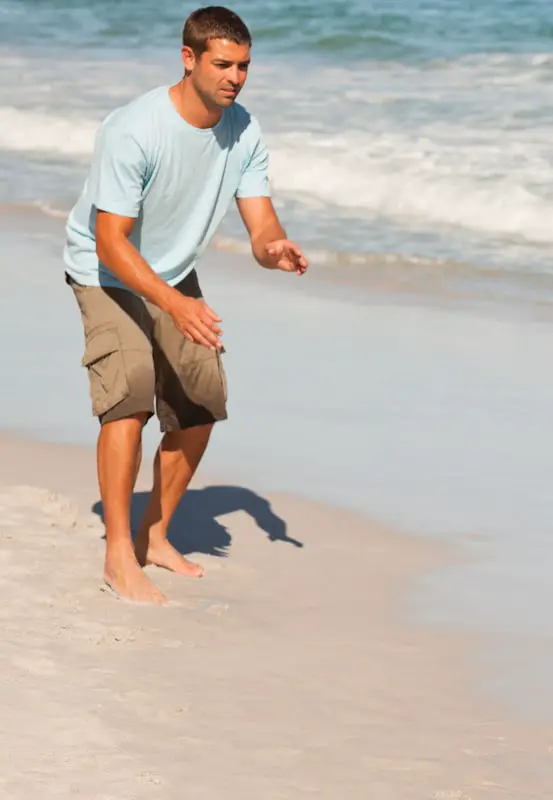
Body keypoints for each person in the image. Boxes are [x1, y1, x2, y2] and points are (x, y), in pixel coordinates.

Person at [61, 6, 307, 605]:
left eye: (245, 66)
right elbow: (112, 242)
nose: (236, 77)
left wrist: (273, 248)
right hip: (103, 270)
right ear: (189, 58)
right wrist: (173, 304)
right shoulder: (133, 130)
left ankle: (154, 536)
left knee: (201, 402)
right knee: (129, 393)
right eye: (224, 64)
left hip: (172, 272)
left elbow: (260, 222)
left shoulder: (243, 129)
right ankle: (119, 554)